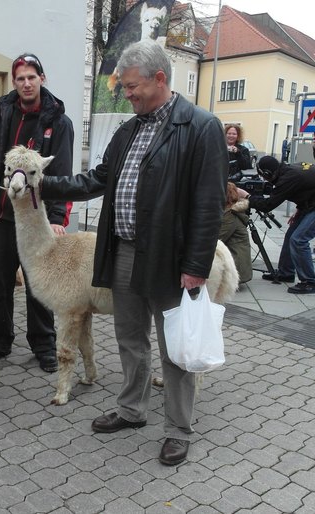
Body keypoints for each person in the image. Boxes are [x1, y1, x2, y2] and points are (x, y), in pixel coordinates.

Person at [40, 40, 228, 465]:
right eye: (124, 88)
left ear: (159, 78)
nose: (127, 94)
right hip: (123, 250)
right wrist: (42, 183)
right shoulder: (128, 130)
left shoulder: (199, 126)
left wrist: (197, 266)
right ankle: (131, 409)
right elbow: (96, 179)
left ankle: (178, 428)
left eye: (132, 87)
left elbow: (208, 203)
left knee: (174, 347)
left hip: (170, 257)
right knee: (129, 337)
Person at [0, 53, 74, 373]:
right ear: (14, 82)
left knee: (38, 282)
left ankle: (44, 343)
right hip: (4, 213)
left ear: (42, 79)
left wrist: (58, 218)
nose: (26, 83)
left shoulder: (59, 122)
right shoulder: (4, 110)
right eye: (20, 78)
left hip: (38, 218)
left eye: (32, 77)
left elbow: (61, 173)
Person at [237, 155, 315, 294]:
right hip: (308, 205)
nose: (263, 179)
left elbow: (268, 205)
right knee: (291, 235)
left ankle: (310, 281)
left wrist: (247, 196)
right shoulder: (288, 170)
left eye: (263, 176)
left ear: (268, 173)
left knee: (298, 240)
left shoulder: (287, 178)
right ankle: (286, 272)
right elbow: (307, 188)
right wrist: (300, 209)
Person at [220, 182, 253, 284]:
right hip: (237, 264)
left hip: (235, 269)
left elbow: (217, 239)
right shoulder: (232, 210)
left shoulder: (229, 215)